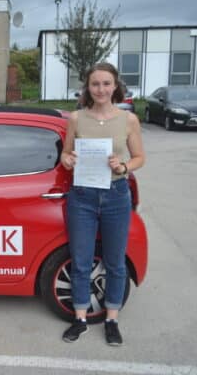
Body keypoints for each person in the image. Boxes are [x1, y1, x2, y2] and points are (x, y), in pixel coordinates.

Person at [59, 62, 145, 346]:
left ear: (115, 86)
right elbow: (67, 155)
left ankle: (111, 319)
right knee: (81, 262)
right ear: (88, 87)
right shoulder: (76, 118)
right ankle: (80, 318)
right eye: (95, 84)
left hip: (116, 195)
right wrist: (68, 160)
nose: (101, 89)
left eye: (106, 83)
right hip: (82, 196)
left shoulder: (128, 120)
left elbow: (139, 158)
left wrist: (122, 166)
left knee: (115, 262)